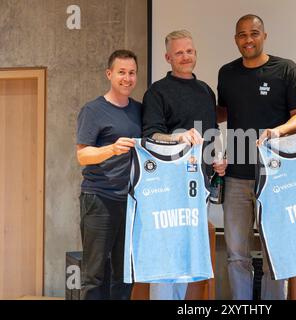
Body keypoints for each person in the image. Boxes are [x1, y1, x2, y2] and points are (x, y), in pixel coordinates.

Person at [217, 14, 296, 300]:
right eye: (242, 35)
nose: (248, 39)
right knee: (236, 254)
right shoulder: (227, 73)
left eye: (254, 33)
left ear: (264, 36)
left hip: (275, 177)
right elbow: (223, 113)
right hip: (236, 177)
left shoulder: (285, 69)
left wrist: (276, 132)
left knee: (274, 253)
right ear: (236, 40)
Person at [142, 29, 227, 300]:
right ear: (168, 57)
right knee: (166, 253)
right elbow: (151, 135)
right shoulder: (157, 92)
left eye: (189, 51)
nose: (185, 56)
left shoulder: (205, 91)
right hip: (168, 189)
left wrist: (217, 160)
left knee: (188, 254)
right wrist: (178, 137)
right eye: (179, 52)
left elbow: (212, 133)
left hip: (199, 186)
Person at [76, 50, 141, 299]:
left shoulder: (140, 110)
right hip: (99, 199)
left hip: (131, 204)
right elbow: (82, 155)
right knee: (94, 275)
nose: (127, 78)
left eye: (132, 73)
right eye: (121, 72)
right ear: (109, 74)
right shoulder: (93, 110)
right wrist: (111, 149)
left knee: (125, 274)